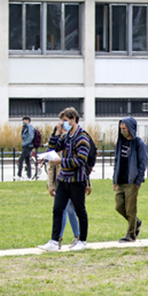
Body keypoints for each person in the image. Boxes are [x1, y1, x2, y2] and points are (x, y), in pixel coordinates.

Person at [38, 107, 92, 252]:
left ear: (73, 119)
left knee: (80, 210)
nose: (63, 124)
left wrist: (61, 162)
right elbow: (52, 148)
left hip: (76, 180)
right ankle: (54, 241)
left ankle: (82, 240)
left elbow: (81, 160)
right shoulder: (67, 136)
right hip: (63, 180)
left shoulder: (82, 137)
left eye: (65, 121)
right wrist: (55, 133)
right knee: (57, 209)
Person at [113, 117, 148, 243]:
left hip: (132, 182)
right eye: (121, 129)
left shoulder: (139, 143)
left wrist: (138, 181)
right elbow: (117, 161)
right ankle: (136, 223)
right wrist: (114, 179)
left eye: (125, 129)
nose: (123, 131)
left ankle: (131, 234)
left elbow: (143, 163)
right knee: (118, 206)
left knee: (130, 209)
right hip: (121, 181)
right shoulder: (120, 142)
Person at [46, 136, 80, 248]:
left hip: (71, 181)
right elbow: (51, 167)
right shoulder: (57, 148)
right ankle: (76, 236)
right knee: (69, 210)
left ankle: (58, 238)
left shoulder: (74, 143)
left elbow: (81, 164)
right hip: (60, 183)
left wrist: (87, 184)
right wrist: (51, 185)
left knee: (66, 210)